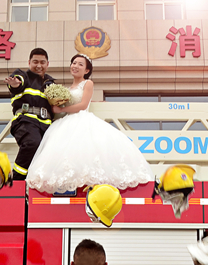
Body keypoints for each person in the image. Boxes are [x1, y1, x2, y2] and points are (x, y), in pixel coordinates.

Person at [26, 54, 154, 195]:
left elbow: (83, 105)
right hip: (66, 122)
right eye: (74, 63)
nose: (75, 66)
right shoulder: (67, 89)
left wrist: (61, 109)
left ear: (86, 70)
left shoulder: (88, 83)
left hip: (82, 120)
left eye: (80, 64)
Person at [4, 48, 56, 184]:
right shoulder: (22, 75)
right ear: (29, 62)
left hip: (46, 126)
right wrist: (15, 84)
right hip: (25, 121)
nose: (39, 65)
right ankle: (16, 181)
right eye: (35, 62)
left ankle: (31, 188)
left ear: (47, 64)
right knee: (32, 144)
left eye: (42, 62)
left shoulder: (51, 83)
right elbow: (17, 83)